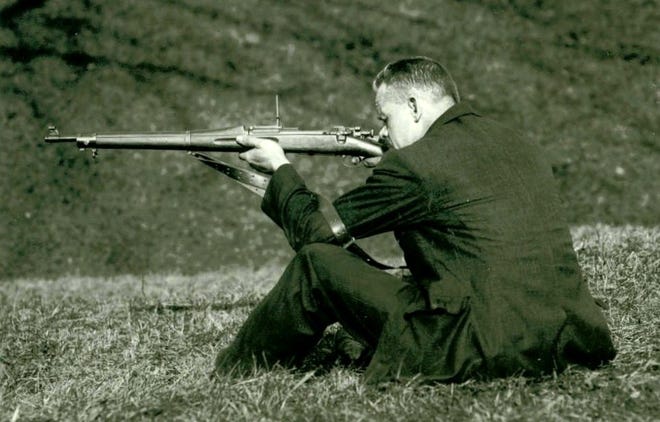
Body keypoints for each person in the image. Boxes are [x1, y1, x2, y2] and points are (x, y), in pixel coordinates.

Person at [214, 57, 616, 383]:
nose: (382, 133)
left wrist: (280, 168)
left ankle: (235, 373)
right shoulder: (517, 143)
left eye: (385, 119)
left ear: (413, 106)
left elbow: (314, 233)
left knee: (316, 265)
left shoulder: (414, 166)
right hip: (572, 338)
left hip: (481, 348)